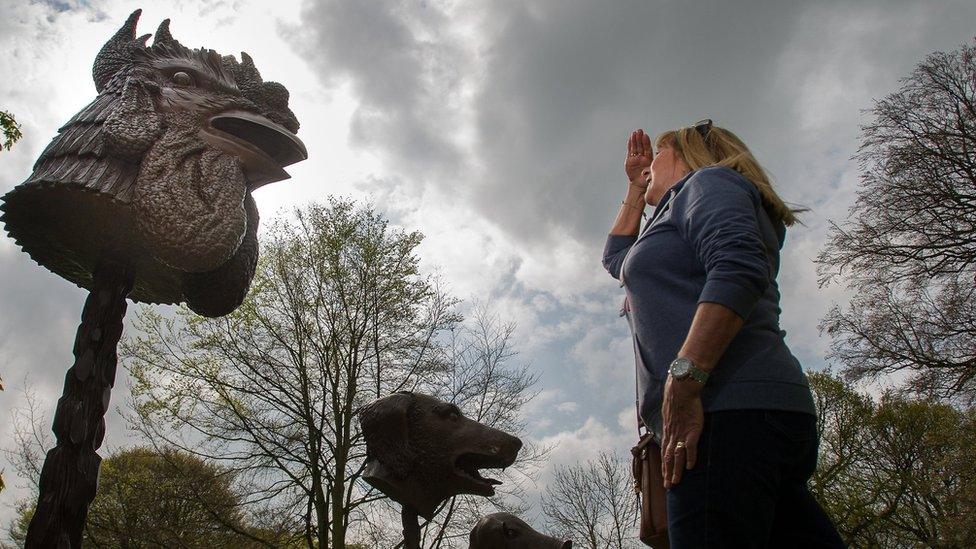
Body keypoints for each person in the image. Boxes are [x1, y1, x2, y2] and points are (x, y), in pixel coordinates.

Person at [602, 121, 845, 548]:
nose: (650, 165)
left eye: (659, 153)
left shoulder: (709, 183)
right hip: (750, 417)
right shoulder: (675, 210)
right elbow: (617, 259)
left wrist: (685, 379)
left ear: (685, 153)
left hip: (720, 414)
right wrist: (637, 188)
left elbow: (738, 266)